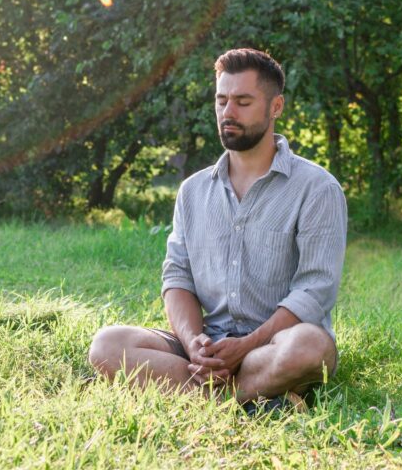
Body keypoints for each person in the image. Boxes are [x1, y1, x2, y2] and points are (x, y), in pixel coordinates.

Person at [88, 48, 347, 414]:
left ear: (276, 107)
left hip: (275, 345)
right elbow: (177, 277)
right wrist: (193, 343)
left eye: (243, 102)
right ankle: (255, 398)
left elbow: (315, 290)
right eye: (222, 100)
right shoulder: (193, 191)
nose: (228, 112)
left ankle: (201, 396)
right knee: (108, 345)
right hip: (209, 347)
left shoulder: (317, 188)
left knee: (310, 347)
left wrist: (247, 346)